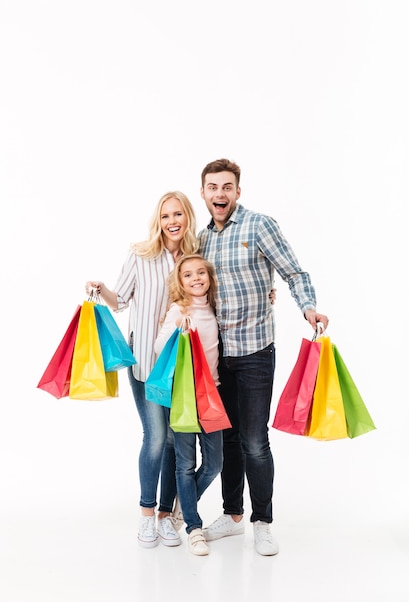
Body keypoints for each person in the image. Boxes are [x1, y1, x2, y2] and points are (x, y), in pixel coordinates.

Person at [197, 158, 329, 556]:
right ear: (203, 192)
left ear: (238, 191)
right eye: (212, 187)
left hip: (255, 351)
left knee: (255, 441)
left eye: (226, 187)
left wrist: (308, 308)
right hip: (218, 356)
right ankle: (233, 515)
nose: (219, 194)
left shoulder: (259, 225)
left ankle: (263, 522)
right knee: (229, 438)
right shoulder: (200, 239)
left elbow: (294, 273)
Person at [85, 191, 199, 549]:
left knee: (173, 443)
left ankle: (167, 517)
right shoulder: (141, 255)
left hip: (181, 365)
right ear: (158, 221)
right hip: (147, 364)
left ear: (187, 218)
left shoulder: (196, 256)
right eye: (166, 216)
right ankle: (147, 515)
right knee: (156, 438)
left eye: (178, 214)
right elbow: (120, 301)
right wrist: (102, 289)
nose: (172, 222)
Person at [154, 254, 223, 556]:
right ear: (180, 283)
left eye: (200, 273)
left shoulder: (216, 308)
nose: (196, 279)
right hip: (183, 398)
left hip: (211, 395)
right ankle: (194, 528)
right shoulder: (178, 310)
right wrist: (177, 327)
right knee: (185, 464)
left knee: (214, 463)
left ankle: (184, 503)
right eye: (188, 275)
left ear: (209, 277)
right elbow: (159, 347)